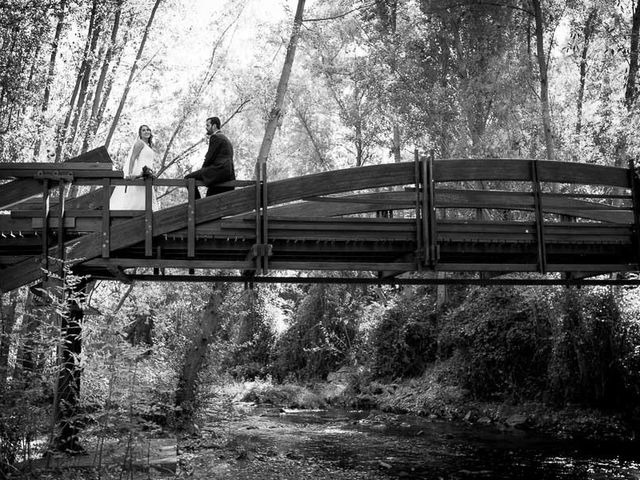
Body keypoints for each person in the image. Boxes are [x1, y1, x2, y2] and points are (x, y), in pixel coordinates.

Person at [185, 116, 235, 198]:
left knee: (188, 178)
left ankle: (196, 203)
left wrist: (202, 171)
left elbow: (209, 157)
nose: (206, 128)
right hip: (228, 173)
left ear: (214, 126)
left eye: (208, 125)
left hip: (218, 170)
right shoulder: (225, 138)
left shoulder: (215, 137)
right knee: (210, 197)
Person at [110, 125, 155, 210]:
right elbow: (133, 157)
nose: (146, 131)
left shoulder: (148, 145)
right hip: (140, 173)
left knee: (145, 197)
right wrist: (130, 173)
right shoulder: (140, 143)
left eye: (148, 130)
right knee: (138, 197)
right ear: (140, 134)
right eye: (143, 130)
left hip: (148, 175)